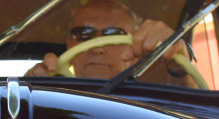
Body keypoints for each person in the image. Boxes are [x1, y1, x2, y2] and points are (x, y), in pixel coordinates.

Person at [27, 0, 191, 82]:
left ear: (136, 45)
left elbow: (191, 113)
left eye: (113, 34)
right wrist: (33, 91)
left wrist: (179, 64)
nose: (97, 48)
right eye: (83, 34)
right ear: (69, 44)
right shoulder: (55, 100)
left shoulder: (156, 102)